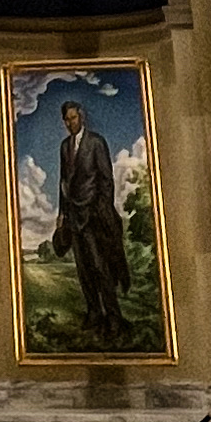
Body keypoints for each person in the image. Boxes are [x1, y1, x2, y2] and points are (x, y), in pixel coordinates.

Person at [49, 97, 129, 345]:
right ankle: (94, 313)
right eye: (66, 119)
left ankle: (113, 318)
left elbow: (106, 181)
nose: (70, 122)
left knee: (100, 268)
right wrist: (62, 215)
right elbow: (64, 183)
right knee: (83, 270)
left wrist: (101, 210)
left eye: (73, 118)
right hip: (73, 218)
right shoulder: (65, 147)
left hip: (94, 216)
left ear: (81, 116)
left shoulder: (96, 142)